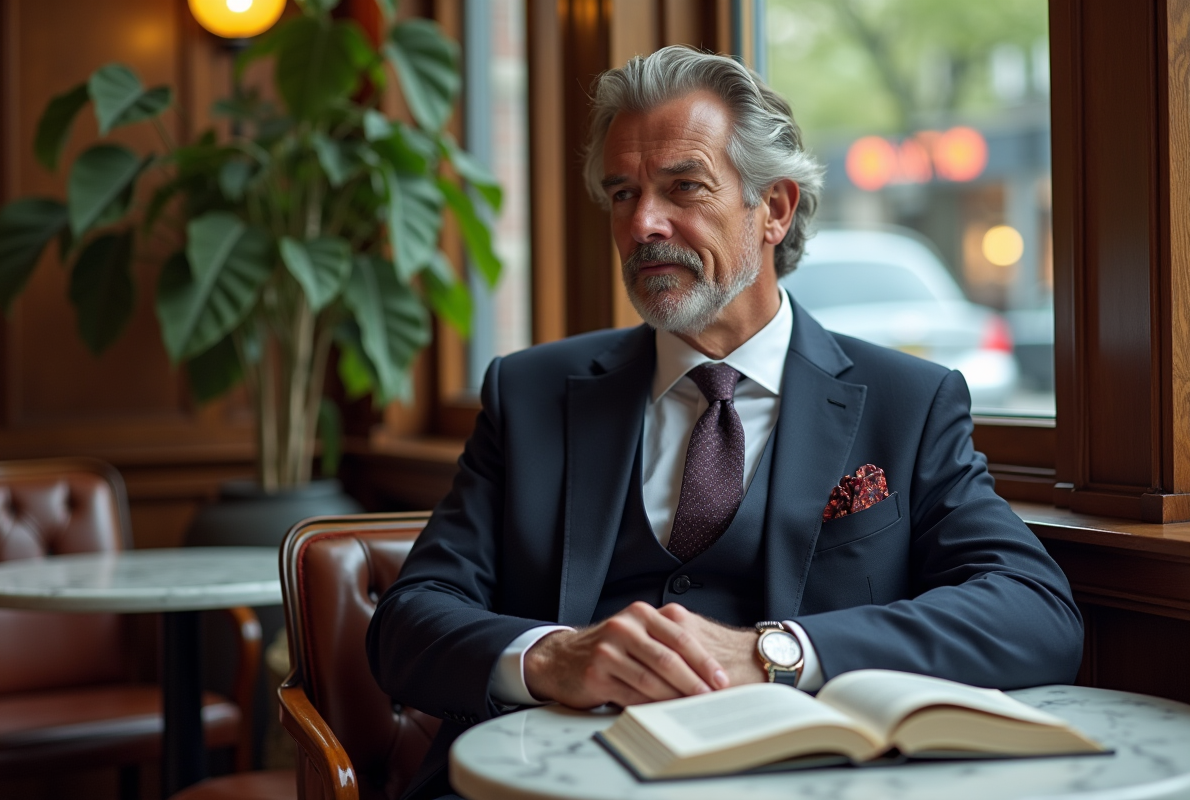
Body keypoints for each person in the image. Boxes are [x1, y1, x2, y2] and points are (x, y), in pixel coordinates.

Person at [367, 45, 1082, 800]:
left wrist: (778, 651)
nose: (644, 223)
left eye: (683, 187)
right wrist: (551, 658)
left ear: (773, 209)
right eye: (622, 193)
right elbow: (409, 622)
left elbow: (1035, 612)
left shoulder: (907, 401)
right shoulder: (531, 393)